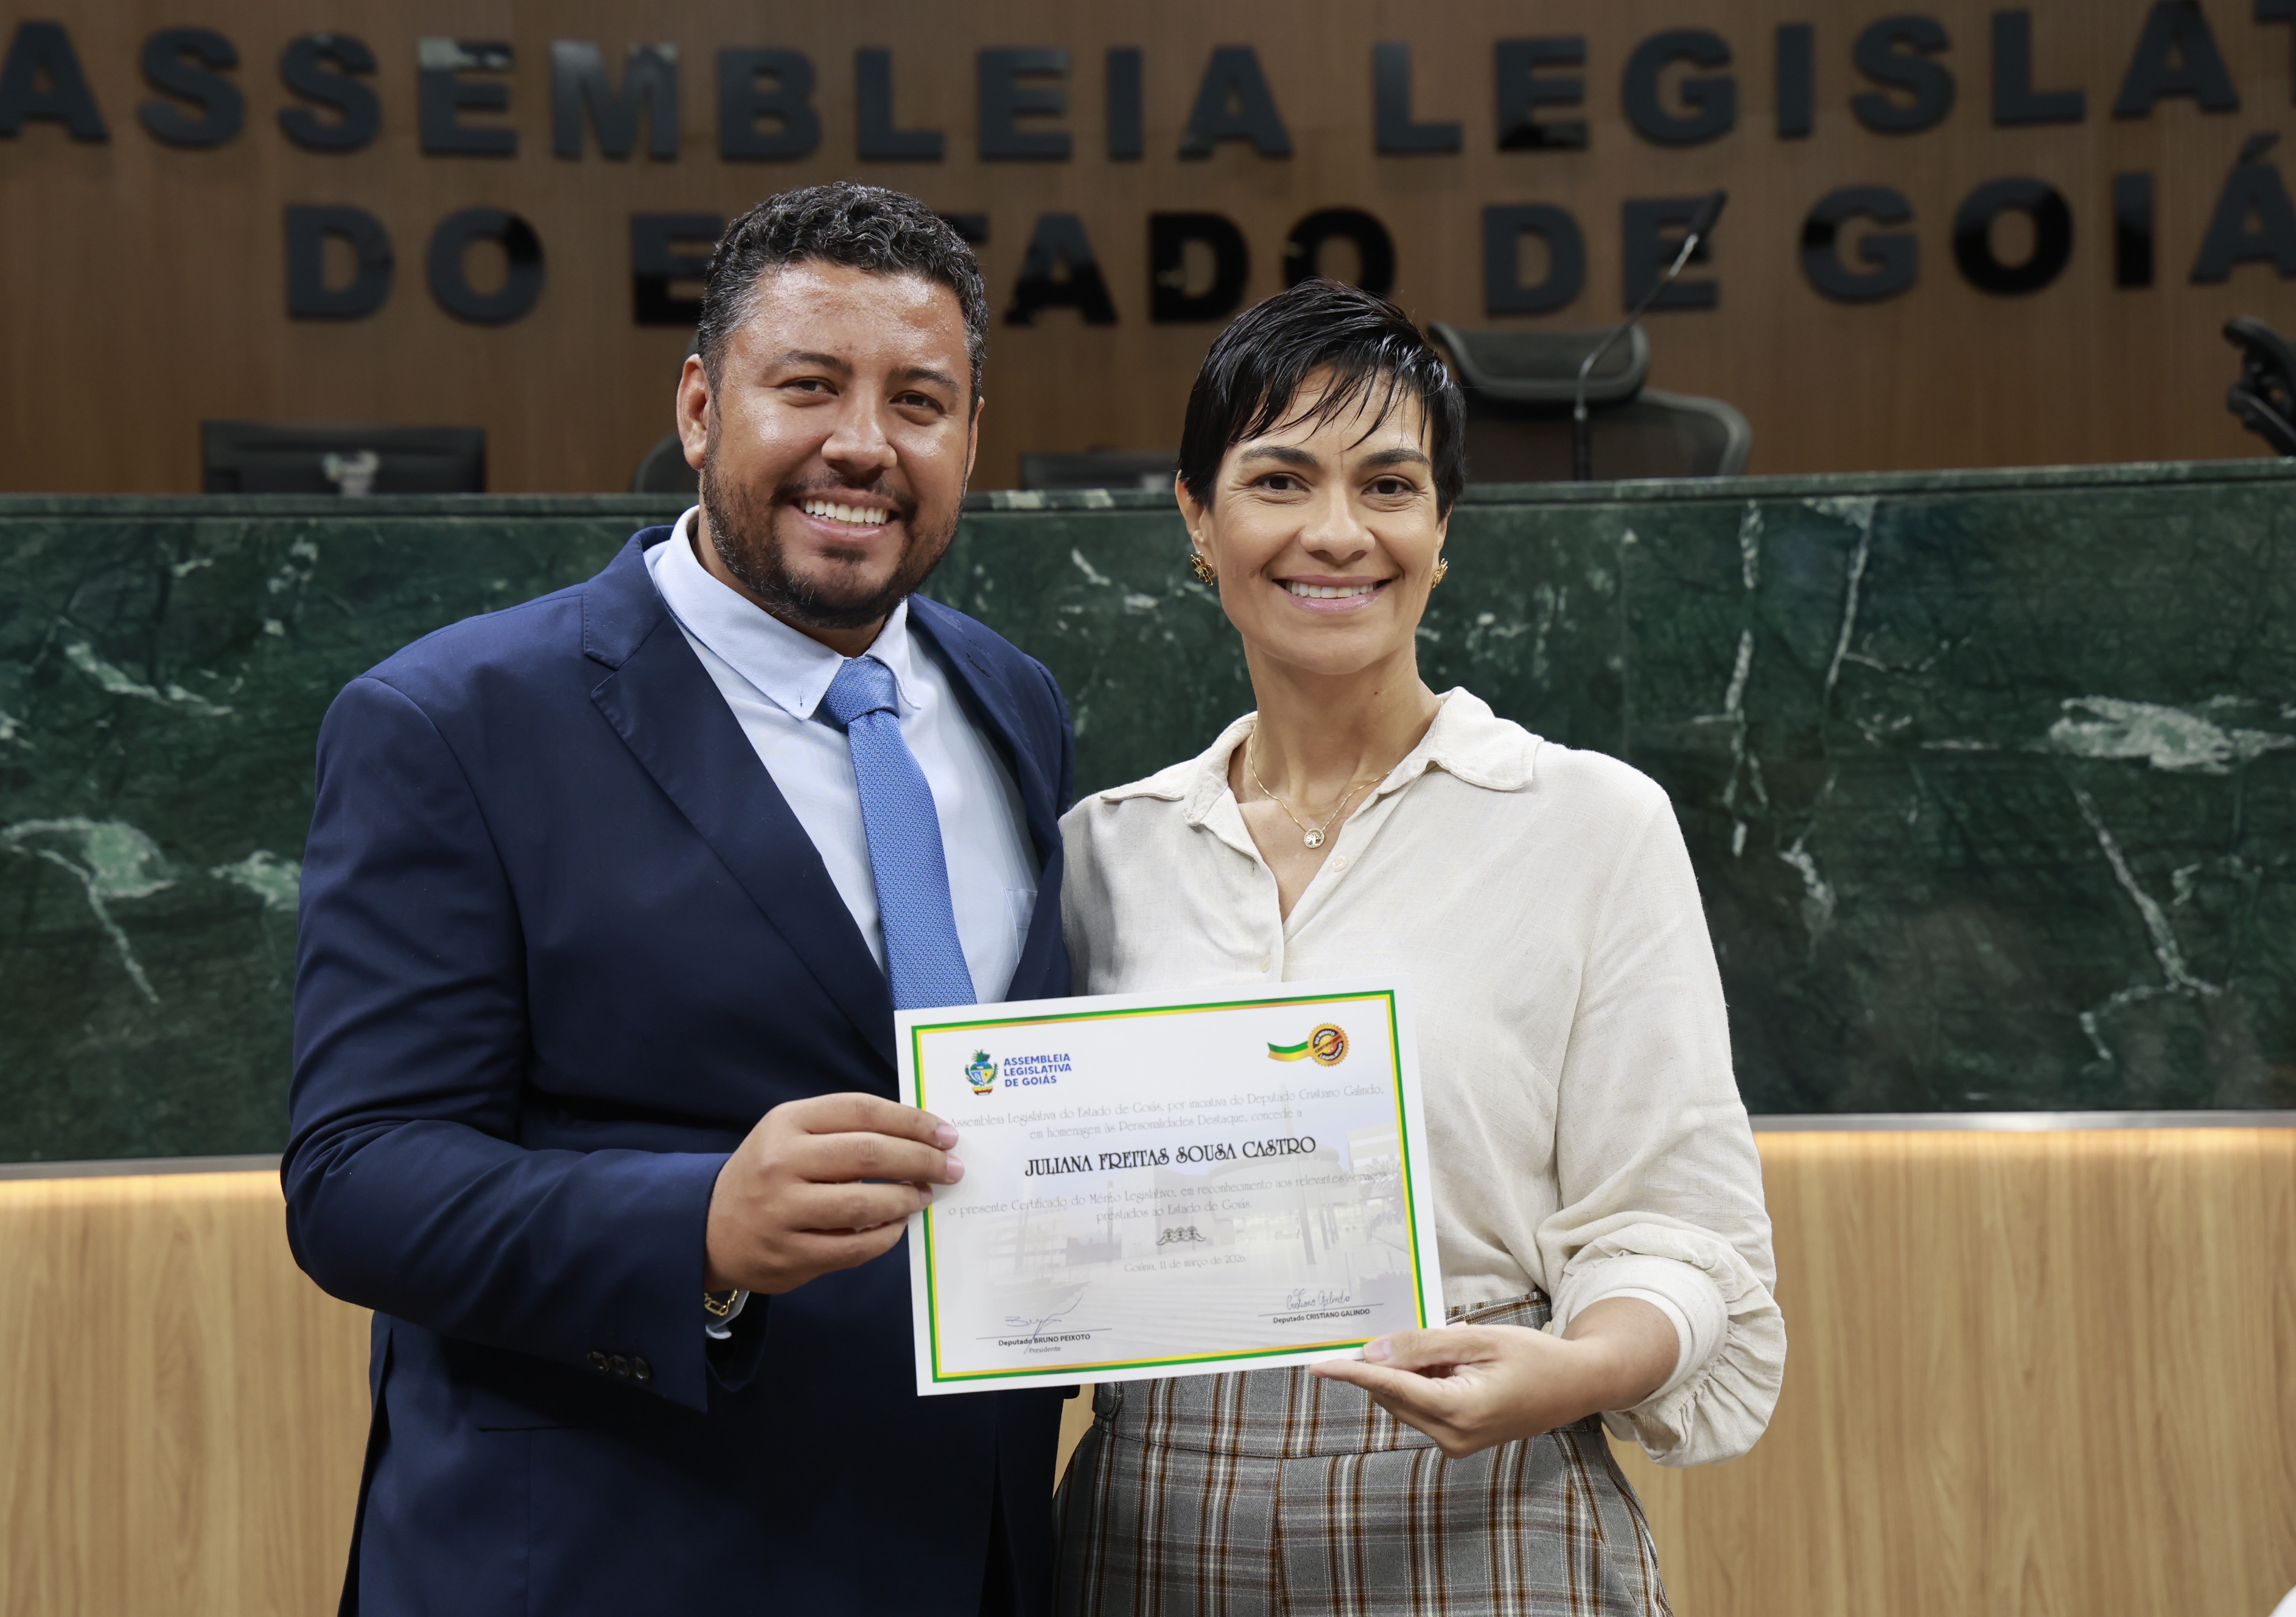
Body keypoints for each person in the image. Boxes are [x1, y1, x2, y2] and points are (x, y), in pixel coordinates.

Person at [286, 183, 1074, 1616]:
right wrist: (698, 1224)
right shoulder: (452, 719)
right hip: (612, 1558)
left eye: (917, 400)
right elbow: (356, 1178)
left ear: (969, 440)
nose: (863, 442)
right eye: (810, 385)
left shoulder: (1010, 697)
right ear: (703, 408)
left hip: (964, 1553)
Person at [1052, 280, 1783, 1616]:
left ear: (1443, 528)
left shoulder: (1592, 823)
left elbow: (1681, 1235)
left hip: (1486, 1499)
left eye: (1389, 485)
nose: (1339, 531)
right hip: (1151, 1514)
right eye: (1280, 479)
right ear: (1198, 518)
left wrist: (1574, 1370)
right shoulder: (1104, 852)